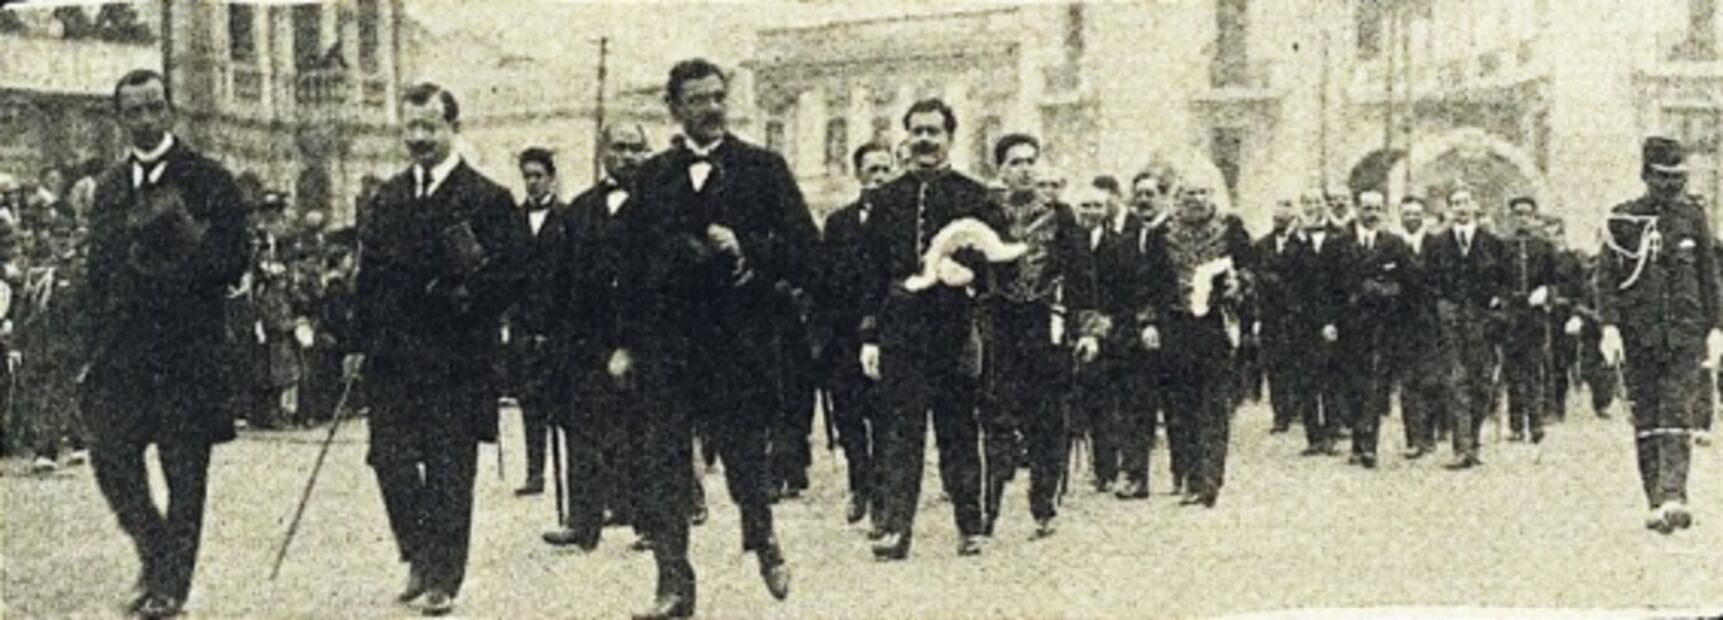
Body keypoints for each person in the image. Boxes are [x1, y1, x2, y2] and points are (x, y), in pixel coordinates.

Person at [623, 58, 807, 618]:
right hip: (669, 346)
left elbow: (805, 249)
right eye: (697, 99)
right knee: (664, 466)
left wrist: (748, 246)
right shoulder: (652, 177)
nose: (711, 108)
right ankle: (673, 585)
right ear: (674, 108)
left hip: (737, 345)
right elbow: (626, 266)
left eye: (718, 96)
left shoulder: (763, 168)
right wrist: (625, 342)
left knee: (745, 460)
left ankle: (763, 535)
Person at [80, 69, 249, 619]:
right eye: (134, 111)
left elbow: (234, 260)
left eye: (155, 107)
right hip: (125, 355)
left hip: (186, 353)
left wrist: (186, 246)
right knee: (110, 458)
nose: (146, 119)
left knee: (184, 476)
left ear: (170, 111)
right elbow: (98, 272)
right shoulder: (109, 188)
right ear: (119, 119)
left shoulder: (209, 178)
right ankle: (156, 556)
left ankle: (171, 587)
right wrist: (93, 346)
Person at [349, 82, 523, 616]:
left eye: (430, 126)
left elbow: (512, 278)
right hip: (392, 358)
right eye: (411, 127)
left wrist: (463, 295)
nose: (419, 138)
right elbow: (367, 278)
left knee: (450, 469)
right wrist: (356, 342)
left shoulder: (489, 199)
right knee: (390, 461)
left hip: (456, 359)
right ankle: (420, 553)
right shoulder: (387, 197)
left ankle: (443, 575)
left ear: (454, 128)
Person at [862, 98, 1000, 560]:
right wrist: (869, 335)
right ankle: (896, 529)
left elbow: (1001, 260)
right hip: (901, 332)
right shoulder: (886, 199)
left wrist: (972, 276)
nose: (924, 140)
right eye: (917, 131)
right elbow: (870, 272)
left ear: (949, 138)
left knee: (958, 430)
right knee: (900, 435)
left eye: (933, 131)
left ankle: (969, 525)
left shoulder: (974, 195)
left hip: (954, 330)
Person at [1597, 136, 1723, 534]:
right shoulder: (1623, 220)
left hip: (1685, 334)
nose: (1673, 185)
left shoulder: (1693, 218)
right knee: (1646, 416)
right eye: (1664, 177)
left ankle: (1674, 494)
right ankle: (1655, 500)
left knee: (1677, 410)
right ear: (1646, 175)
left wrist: (1717, 327)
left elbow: (1709, 278)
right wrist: (1609, 326)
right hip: (1638, 334)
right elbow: (1606, 279)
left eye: (1679, 177)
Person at [977, 134, 1096, 539]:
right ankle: (988, 507)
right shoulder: (985, 214)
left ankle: (1044, 507)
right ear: (1000, 170)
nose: (1025, 169)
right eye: (1015, 162)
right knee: (996, 418)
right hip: (998, 326)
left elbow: (1081, 276)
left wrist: (1087, 330)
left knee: (1048, 419)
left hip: (1046, 326)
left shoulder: (1060, 216)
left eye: (1030, 161)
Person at [542, 124, 650, 550]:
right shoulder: (580, 210)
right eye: (619, 147)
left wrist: (634, 342)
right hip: (587, 340)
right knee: (583, 430)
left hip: (641, 338)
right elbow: (563, 278)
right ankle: (582, 522)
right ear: (603, 152)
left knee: (641, 431)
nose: (627, 156)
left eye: (636, 148)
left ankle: (650, 521)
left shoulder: (660, 205)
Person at [1137, 168, 1251, 507]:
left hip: (1216, 326)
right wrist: (1148, 323)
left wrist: (1239, 285)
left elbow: (1249, 269)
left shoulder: (1231, 229)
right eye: (1190, 193)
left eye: (1203, 193)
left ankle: (1211, 478)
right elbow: (1148, 284)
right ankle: (1189, 475)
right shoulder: (1161, 235)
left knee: (1214, 404)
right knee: (1180, 405)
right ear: (1178, 198)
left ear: (1212, 196)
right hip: (1175, 326)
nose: (1197, 199)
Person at [819, 142, 894, 533]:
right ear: (858, 174)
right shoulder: (839, 222)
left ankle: (882, 498)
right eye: (872, 170)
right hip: (843, 335)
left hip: (888, 332)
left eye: (885, 169)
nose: (879, 177)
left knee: (884, 417)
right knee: (848, 416)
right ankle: (859, 482)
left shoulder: (901, 221)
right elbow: (826, 276)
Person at [1427, 187, 1506, 470]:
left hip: (1483, 324)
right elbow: (1429, 282)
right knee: (1456, 382)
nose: (1461, 208)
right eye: (1455, 203)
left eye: (1465, 202)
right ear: (1449, 210)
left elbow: (1505, 283)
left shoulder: (1493, 243)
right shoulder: (1437, 244)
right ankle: (1462, 448)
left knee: (1482, 384)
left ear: (1475, 205)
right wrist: (1441, 306)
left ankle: (1473, 440)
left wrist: (1497, 310)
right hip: (1450, 323)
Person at [505, 146, 568, 497]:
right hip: (524, 325)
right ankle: (535, 472)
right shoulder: (512, 220)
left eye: (538, 176)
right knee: (530, 401)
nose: (532, 182)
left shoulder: (568, 217)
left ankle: (579, 478)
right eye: (527, 176)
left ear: (551, 178)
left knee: (567, 404)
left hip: (559, 325)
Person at [1340, 191, 1411, 468]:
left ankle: (1368, 444)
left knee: (1375, 382)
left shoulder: (1394, 244)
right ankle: (1357, 440)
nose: (1372, 214)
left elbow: (1409, 280)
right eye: (1367, 208)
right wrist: (1329, 321)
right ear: (1357, 209)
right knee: (1351, 382)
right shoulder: (1340, 242)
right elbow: (1325, 284)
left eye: (1377, 209)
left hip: (1382, 324)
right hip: (1348, 324)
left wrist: (1389, 290)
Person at [1292, 189, 1354, 457]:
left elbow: (1343, 281)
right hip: (1302, 320)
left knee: (1331, 378)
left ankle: (1331, 432)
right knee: (1306, 379)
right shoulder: (1295, 239)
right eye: (1307, 202)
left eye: (1317, 202)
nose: (1312, 207)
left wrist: (1333, 319)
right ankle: (1313, 437)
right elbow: (1289, 280)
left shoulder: (1338, 237)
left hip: (1332, 318)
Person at [1500, 196, 1557, 443]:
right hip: (1511, 315)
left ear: (1534, 217)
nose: (1522, 218)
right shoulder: (1503, 246)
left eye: (1526, 214)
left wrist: (1546, 293)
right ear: (1511, 217)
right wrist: (1502, 300)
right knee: (1512, 372)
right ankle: (1515, 425)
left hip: (1534, 315)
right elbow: (1496, 279)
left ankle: (1536, 424)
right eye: (1517, 214)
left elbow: (1554, 281)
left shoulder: (1544, 246)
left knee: (1534, 369)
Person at [1396, 196, 1447, 458]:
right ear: (1400, 216)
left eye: (1417, 213)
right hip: (1401, 323)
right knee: (1408, 382)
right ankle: (1413, 438)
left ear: (1424, 216)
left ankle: (1429, 434)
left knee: (1430, 379)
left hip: (1430, 322)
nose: (1412, 218)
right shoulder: (1392, 245)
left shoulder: (1436, 245)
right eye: (1407, 214)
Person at [1252, 199, 1303, 435]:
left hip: (1297, 314)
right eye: (1277, 220)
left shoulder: (1302, 245)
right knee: (1275, 365)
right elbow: (1258, 276)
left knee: (1298, 363)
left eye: (1285, 220)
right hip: (1271, 315)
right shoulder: (1262, 245)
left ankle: (1297, 409)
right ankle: (1280, 414)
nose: (1280, 224)